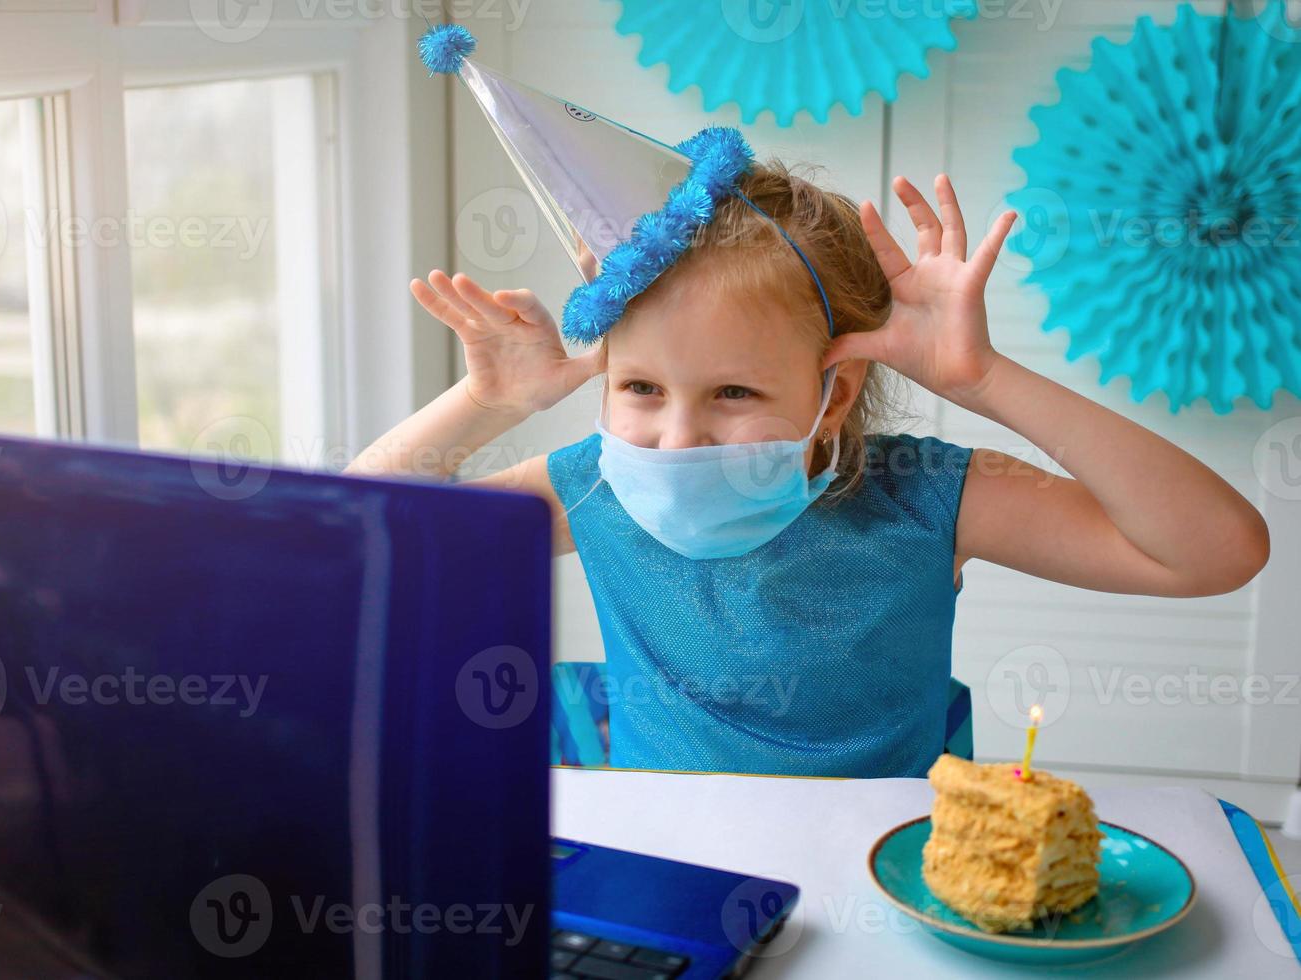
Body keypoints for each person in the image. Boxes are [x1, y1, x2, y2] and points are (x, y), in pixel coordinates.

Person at [343, 160, 1269, 777]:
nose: (676, 440)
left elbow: (1215, 552)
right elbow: (356, 542)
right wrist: (490, 406)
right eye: (639, 387)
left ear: (835, 391)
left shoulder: (927, 496)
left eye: (734, 394)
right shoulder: (591, 481)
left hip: (875, 883)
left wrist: (986, 379)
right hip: (677, 864)